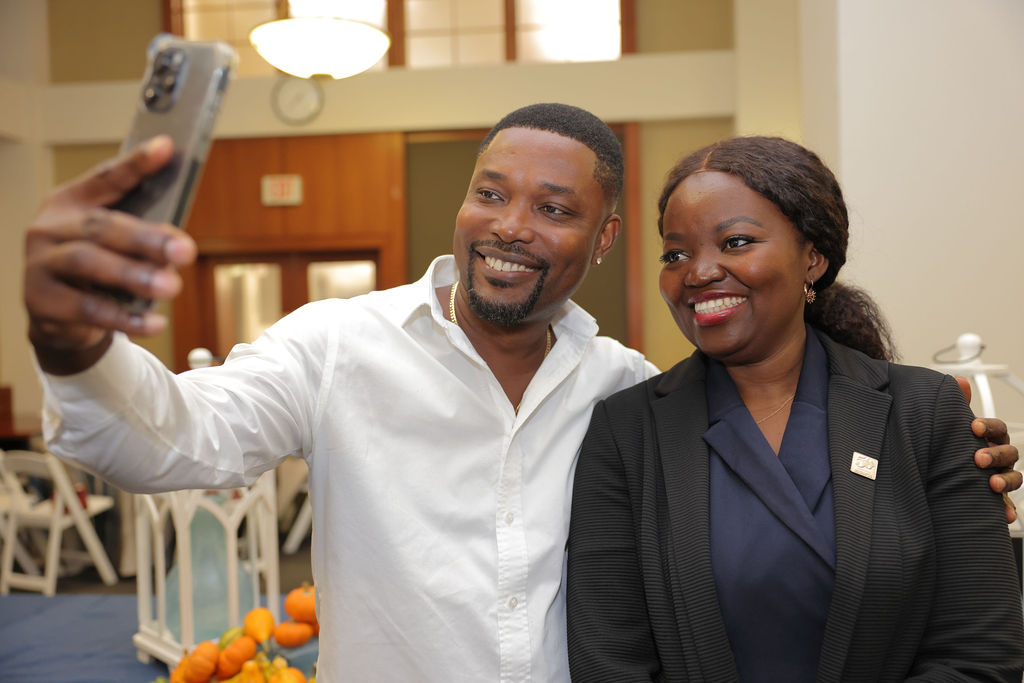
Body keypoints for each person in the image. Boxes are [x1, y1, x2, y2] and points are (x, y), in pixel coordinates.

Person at [22, 105, 1019, 682]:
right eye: (490, 192)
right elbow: (172, 440)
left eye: (553, 208)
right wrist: (71, 337)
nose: (510, 226)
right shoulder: (336, 346)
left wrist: (950, 460)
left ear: (602, 239)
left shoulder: (624, 387)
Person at [565, 136, 1024, 682]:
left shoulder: (925, 413)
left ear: (813, 256)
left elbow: (980, 656)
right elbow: (610, 663)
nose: (698, 272)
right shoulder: (626, 432)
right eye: (675, 254)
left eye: (735, 242)